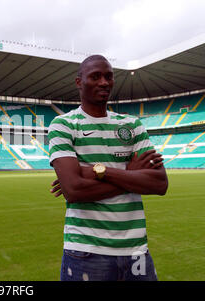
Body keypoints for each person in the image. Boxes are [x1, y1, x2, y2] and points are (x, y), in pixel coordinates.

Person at [48, 55, 168, 281]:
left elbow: (159, 184)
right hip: (86, 251)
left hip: (136, 250)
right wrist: (130, 175)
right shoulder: (63, 125)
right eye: (95, 77)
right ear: (78, 82)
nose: (104, 82)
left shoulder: (132, 125)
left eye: (109, 77)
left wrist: (96, 171)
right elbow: (74, 191)